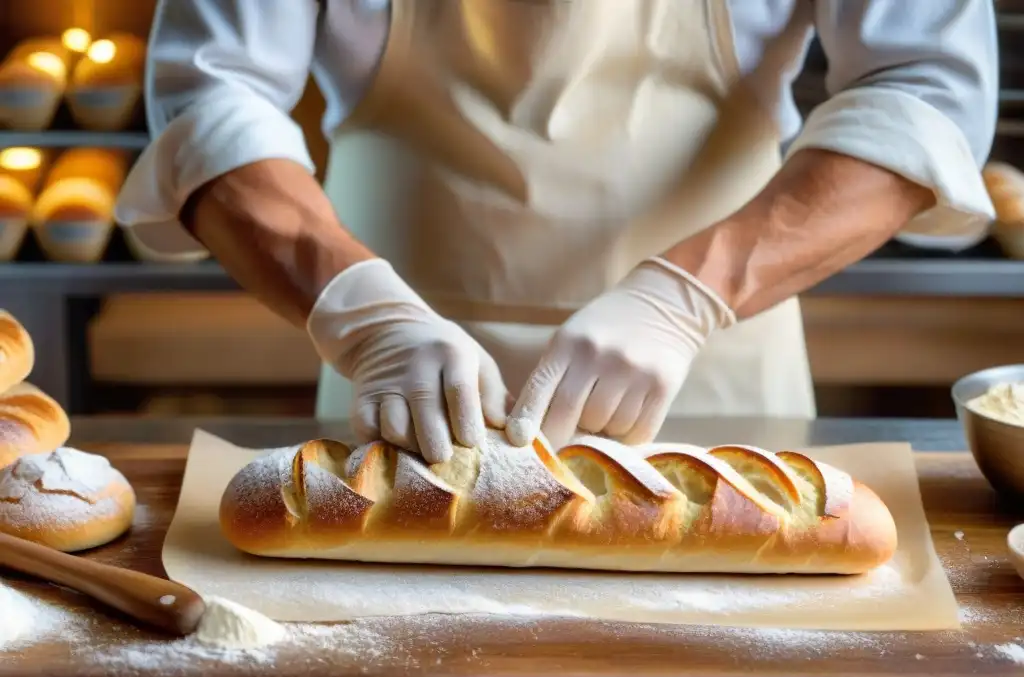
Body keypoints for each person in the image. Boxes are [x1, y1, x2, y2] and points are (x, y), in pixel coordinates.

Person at [116, 0, 997, 464]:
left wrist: (686, 297)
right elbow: (212, 95)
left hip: (712, 371)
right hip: (396, 379)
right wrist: (364, 313)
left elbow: (925, 90)